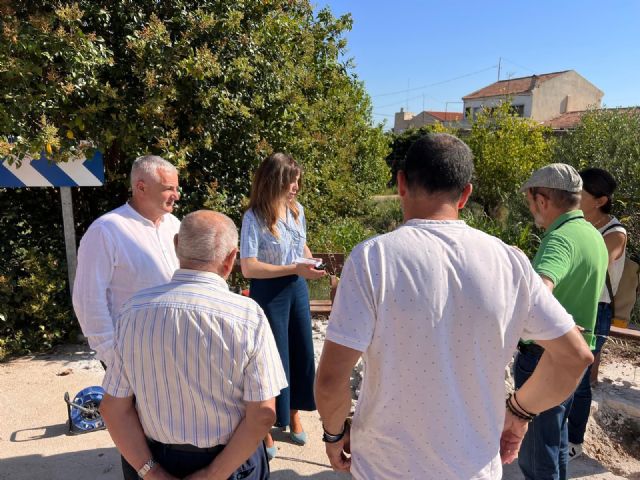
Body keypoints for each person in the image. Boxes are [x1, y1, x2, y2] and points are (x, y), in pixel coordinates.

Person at [314, 133, 594, 480]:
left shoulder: (373, 259)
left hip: (384, 467)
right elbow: (575, 356)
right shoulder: (510, 263)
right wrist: (520, 412)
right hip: (474, 468)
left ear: (401, 183)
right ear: (465, 195)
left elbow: (329, 382)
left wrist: (333, 433)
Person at [100, 210, 288, 480]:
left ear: (176, 245)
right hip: (231, 463)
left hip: (155, 457)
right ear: (231, 258)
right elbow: (262, 414)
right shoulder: (248, 316)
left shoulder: (133, 311)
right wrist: (213, 474)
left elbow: (113, 407)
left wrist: (151, 473)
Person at [515, 163, 608, 479]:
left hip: (545, 358)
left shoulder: (560, 240)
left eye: (530, 201)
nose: (532, 210)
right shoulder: (592, 235)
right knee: (554, 444)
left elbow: (539, 293)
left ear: (542, 200)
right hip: (576, 357)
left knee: (536, 454)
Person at [240, 152, 325, 458]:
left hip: (296, 287)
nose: (296, 188)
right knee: (272, 358)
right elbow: (248, 267)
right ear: (275, 180)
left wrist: (309, 261)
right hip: (269, 291)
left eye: (298, 181)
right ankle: (266, 428)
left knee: (301, 351)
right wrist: (293, 269)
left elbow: (300, 243)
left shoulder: (297, 210)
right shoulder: (253, 217)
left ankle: (294, 413)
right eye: (291, 181)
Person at [73, 155, 181, 367]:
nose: (176, 195)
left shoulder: (174, 225)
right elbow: (88, 299)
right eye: (169, 188)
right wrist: (111, 354)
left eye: (177, 189)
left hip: (173, 348)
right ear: (141, 188)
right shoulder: (106, 230)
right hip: (131, 353)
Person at [567, 167, 627, 460]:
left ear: (600, 200)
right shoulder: (576, 222)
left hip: (595, 309)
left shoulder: (615, 232)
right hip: (568, 304)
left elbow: (595, 263)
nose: (574, 195)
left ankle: (574, 440)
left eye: (581, 192)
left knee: (578, 380)